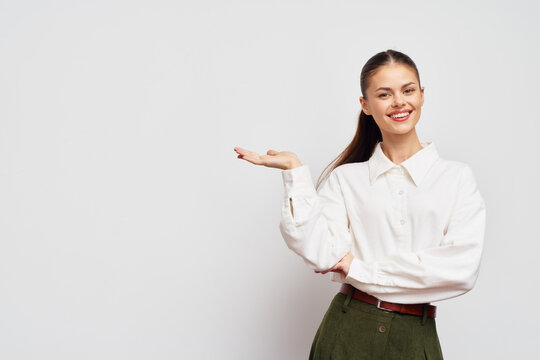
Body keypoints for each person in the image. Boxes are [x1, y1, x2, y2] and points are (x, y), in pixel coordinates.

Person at [233, 49, 486, 359]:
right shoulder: (346, 180)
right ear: (365, 105)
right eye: (384, 94)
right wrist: (295, 173)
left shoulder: (456, 178)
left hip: (415, 337)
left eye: (408, 90)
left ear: (422, 95)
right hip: (348, 328)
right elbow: (321, 252)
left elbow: (461, 270)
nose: (399, 102)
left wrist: (359, 268)